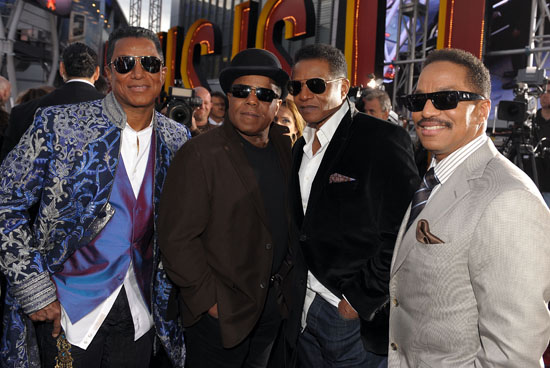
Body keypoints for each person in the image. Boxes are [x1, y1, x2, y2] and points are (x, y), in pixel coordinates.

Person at [0, 26, 189, 367]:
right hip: (65, 313)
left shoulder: (178, 139)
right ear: (107, 71)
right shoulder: (59, 124)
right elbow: (5, 202)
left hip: (141, 315)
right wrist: (33, 287)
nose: (138, 72)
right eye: (125, 63)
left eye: (148, 62)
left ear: (163, 71)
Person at [389, 48, 550, 367]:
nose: (426, 111)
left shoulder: (509, 200)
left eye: (446, 98)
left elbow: (512, 356)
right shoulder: (435, 176)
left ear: (481, 111)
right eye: (419, 101)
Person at [286, 43, 419, 368]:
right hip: (302, 307)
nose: (304, 95)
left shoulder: (381, 139)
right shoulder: (300, 146)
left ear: (343, 87)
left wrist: (359, 299)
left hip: (348, 316)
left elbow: (404, 230)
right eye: (296, 87)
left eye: (316, 85)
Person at [158, 48, 292, 368]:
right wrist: (209, 302)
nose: (251, 100)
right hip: (220, 316)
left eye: (263, 93)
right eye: (241, 91)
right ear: (229, 98)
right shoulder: (200, 153)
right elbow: (176, 238)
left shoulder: (286, 149)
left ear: (277, 103)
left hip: (270, 311)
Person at [0, 42, 105, 162]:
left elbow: (6, 165)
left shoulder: (22, 112)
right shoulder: (117, 112)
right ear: (97, 73)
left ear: (62, 69)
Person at [533, 82, 550, 207]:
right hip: (533, 187)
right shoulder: (530, 121)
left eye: (549, 92)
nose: (544, 96)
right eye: (543, 92)